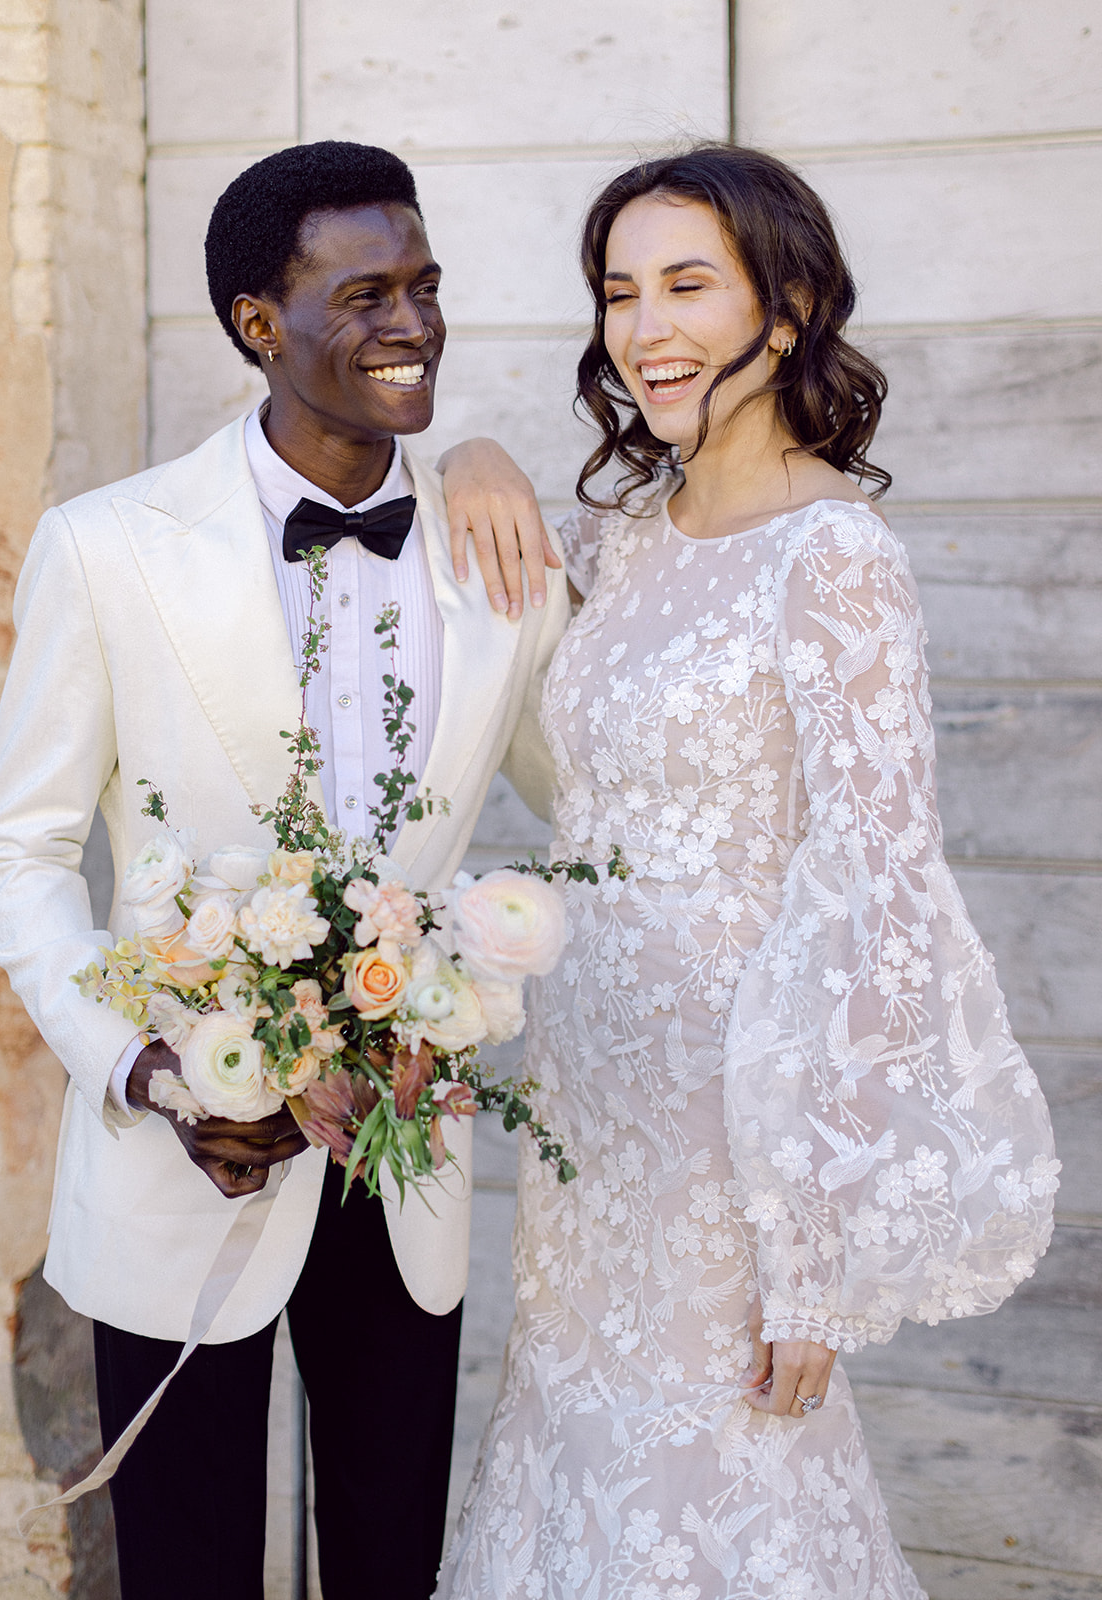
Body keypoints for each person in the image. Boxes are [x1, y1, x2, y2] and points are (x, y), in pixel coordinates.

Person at [434, 144, 1058, 1599]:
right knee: (576, 1461)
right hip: (591, 1114)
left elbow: (879, 910)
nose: (644, 328)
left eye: (687, 287)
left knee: (720, 1489)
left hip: (736, 1136)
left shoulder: (836, 556)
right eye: (619, 292)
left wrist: (817, 1258)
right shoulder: (628, 533)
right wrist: (461, 451)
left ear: (784, 309)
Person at [0, 140, 567, 1600]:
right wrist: (148, 1069)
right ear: (258, 323)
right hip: (186, 1162)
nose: (412, 322)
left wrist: (489, 977)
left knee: (386, 1570)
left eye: (424, 286)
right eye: (364, 294)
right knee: (185, 1578)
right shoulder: (105, 549)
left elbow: (608, 802)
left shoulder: (503, 554)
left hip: (404, 1163)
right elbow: (24, 855)